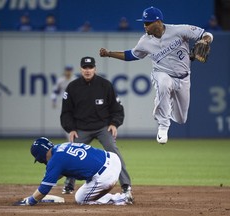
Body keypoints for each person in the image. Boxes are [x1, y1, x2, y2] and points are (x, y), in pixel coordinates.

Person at [99, 6, 213, 144]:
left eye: (148, 23)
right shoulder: (145, 41)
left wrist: (205, 40)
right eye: (144, 23)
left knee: (181, 119)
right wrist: (109, 54)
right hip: (161, 73)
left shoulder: (179, 30)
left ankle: (162, 106)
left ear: (158, 22)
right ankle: (163, 125)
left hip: (183, 78)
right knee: (164, 84)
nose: (145, 26)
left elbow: (206, 34)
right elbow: (131, 55)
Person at [60, 56, 133, 202]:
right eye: (85, 68)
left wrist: (114, 124)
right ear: (81, 69)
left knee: (113, 151)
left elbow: (117, 108)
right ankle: (69, 185)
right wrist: (71, 129)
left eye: (90, 67)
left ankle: (126, 185)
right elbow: (66, 112)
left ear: (95, 68)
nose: (87, 70)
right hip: (81, 128)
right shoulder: (72, 87)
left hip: (102, 127)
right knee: (72, 152)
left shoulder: (105, 85)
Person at [13, 137, 133, 205]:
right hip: (113, 159)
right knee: (87, 186)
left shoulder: (55, 160)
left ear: (39, 157)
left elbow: (44, 190)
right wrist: (49, 176)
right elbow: (61, 170)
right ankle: (120, 196)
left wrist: (29, 201)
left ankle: (120, 198)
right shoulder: (62, 146)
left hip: (106, 176)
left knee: (80, 199)